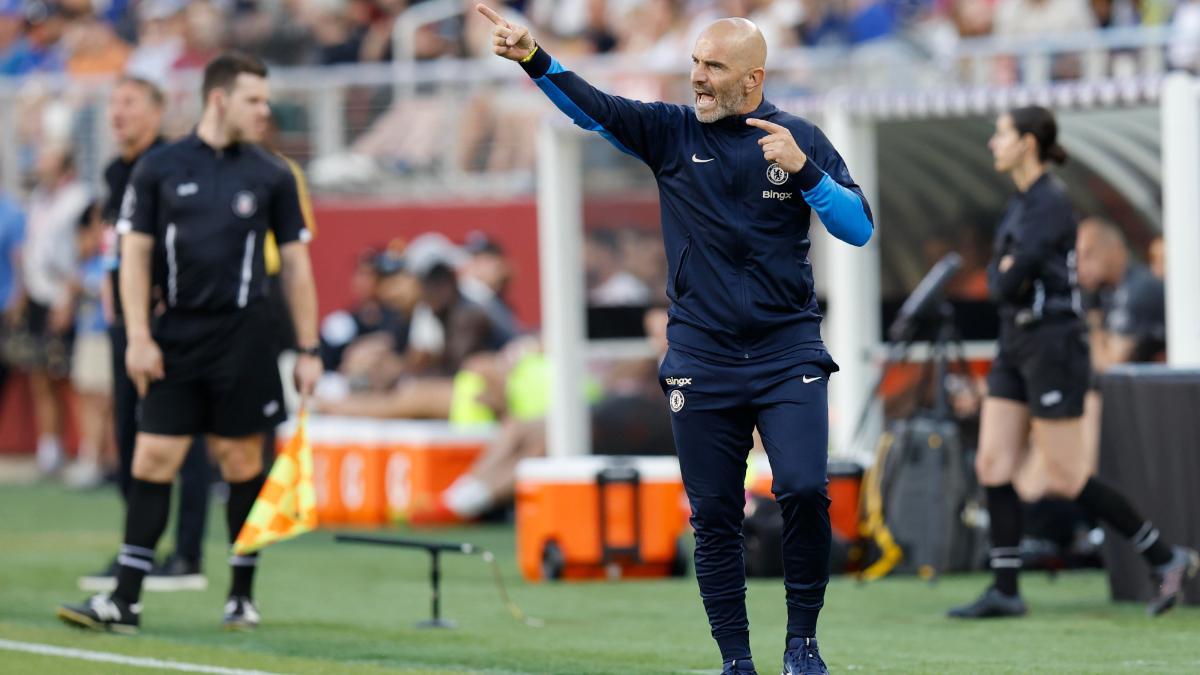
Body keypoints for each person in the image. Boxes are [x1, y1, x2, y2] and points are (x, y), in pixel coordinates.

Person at [478, 6, 875, 673]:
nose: (696, 77)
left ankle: (802, 644)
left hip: (787, 354)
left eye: (713, 66)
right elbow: (593, 108)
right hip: (702, 358)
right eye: (694, 61)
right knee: (715, 516)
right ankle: (736, 661)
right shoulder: (668, 133)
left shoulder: (797, 137)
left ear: (752, 79)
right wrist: (532, 56)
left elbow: (858, 228)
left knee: (805, 488)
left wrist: (806, 171)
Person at [57, 52, 322, 634]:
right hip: (175, 336)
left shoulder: (272, 174)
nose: (264, 110)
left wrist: (309, 347)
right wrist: (139, 336)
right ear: (219, 99)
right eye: (254, 99)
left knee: (240, 460)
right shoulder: (161, 168)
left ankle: (241, 594)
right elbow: (135, 256)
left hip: (247, 338)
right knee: (153, 456)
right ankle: (124, 600)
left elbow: (298, 268)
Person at [947, 107, 1198, 621]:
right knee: (992, 464)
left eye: (1002, 134)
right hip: (1015, 342)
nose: (993, 144)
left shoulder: (1050, 203)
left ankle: (1165, 556)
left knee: (1065, 475)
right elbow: (1003, 277)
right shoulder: (1019, 204)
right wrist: (1007, 270)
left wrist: (1007, 270)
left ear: (1029, 143)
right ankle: (1006, 590)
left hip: (1052, 344)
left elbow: (1002, 283)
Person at [77, 74, 214, 594]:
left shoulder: (173, 166)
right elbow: (115, 246)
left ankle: (187, 553)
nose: (117, 112)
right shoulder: (116, 172)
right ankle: (137, 551)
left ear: (156, 112)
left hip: (168, 322)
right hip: (125, 325)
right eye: (112, 103)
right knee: (131, 436)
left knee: (183, 436)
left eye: (129, 102)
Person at [15, 145, 89, 476]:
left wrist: (68, 298)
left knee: (71, 377)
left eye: (46, 158)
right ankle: (51, 449)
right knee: (39, 373)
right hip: (37, 294)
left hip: (64, 296)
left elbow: (85, 250)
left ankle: (88, 448)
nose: (39, 164)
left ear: (64, 166)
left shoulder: (80, 199)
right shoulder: (40, 200)